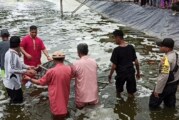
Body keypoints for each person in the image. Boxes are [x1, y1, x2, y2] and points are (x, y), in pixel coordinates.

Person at [24, 51, 72, 120]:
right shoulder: (69, 69)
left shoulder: (51, 71)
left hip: (55, 97)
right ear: (63, 59)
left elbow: (40, 82)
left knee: (56, 114)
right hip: (65, 95)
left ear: (53, 60)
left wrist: (29, 79)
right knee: (64, 108)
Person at [108, 30, 140, 97]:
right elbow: (136, 62)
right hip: (130, 72)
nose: (114, 40)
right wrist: (138, 72)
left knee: (118, 91)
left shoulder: (116, 50)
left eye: (114, 38)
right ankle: (131, 105)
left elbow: (114, 66)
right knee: (131, 93)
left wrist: (110, 75)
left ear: (118, 37)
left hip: (121, 73)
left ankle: (119, 103)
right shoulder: (131, 47)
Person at [149, 38, 179, 108]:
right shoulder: (176, 55)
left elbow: (164, 76)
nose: (160, 47)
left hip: (166, 85)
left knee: (153, 104)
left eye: (161, 46)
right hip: (174, 84)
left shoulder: (166, 60)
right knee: (170, 106)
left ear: (167, 48)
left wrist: (157, 90)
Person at [4, 36, 35, 104]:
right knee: (18, 103)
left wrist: (28, 67)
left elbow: (20, 64)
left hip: (11, 83)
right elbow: (11, 69)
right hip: (13, 85)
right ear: (19, 44)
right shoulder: (12, 55)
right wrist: (26, 71)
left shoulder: (11, 52)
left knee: (14, 103)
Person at [72, 43, 99, 109]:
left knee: (79, 111)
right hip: (94, 97)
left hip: (81, 98)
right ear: (87, 51)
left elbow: (72, 75)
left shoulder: (76, 63)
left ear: (78, 52)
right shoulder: (94, 62)